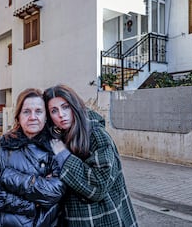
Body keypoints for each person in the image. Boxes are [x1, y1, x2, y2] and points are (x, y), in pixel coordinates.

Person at [43, 84, 138, 227]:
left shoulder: (96, 135)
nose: (61, 115)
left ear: (75, 106)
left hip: (104, 219)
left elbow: (97, 186)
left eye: (65, 107)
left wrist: (63, 156)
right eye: (54, 111)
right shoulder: (59, 137)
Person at [0, 88, 66, 227]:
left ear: (46, 116)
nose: (32, 117)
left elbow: (55, 192)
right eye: (26, 111)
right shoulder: (1, 146)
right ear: (18, 116)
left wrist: (8, 177)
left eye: (38, 111)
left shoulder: (56, 147)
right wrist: (29, 206)